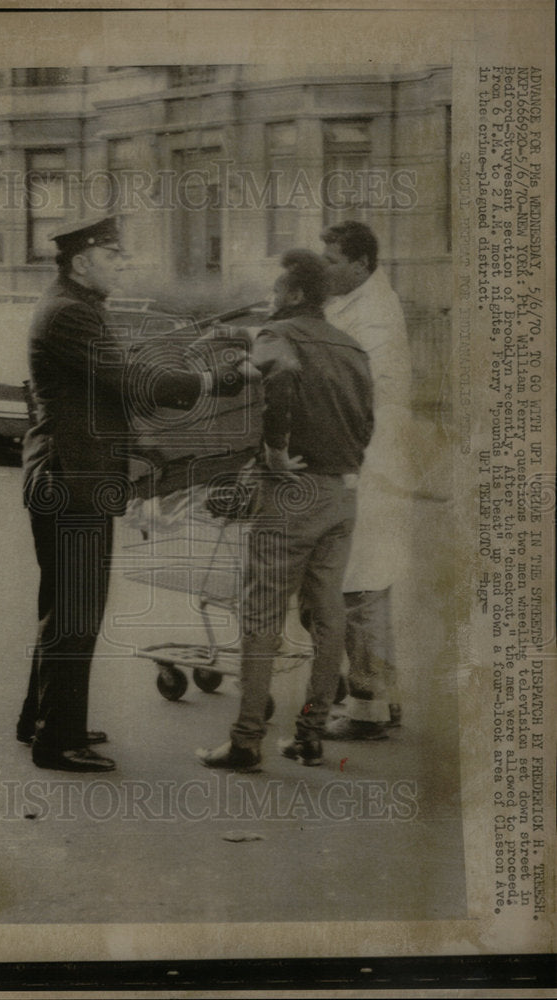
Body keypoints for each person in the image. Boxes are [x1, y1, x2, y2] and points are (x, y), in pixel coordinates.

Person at [16, 214, 253, 772]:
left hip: (70, 475)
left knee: (63, 608)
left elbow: (121, 373)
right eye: (113, 255)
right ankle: (58, 740)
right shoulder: (71, 313)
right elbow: (131, 381)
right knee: (75, 610)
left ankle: (43, 720)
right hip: (71, 479)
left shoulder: (76, 306)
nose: (122, 264)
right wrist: (215, 380)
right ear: (81, 262)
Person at [197, 251, 374, 771]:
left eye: (277, 293)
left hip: (292, 494)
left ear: (295, 296)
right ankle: (310, 736)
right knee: (329, 614)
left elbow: (280, 374)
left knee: (261, 615)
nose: (271, 302)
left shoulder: (280, 336)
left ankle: (246, 741)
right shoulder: (353, 346)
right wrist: (344, 461)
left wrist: (275, 448)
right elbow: (367, 419)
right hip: (342, 493)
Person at [315, 221, 413, 740]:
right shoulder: (353, 302)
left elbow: (356, 382)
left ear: (359, 264)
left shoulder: (374, 311)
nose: (324, 269)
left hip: (369, 459)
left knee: (360, 582)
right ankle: (383, 694)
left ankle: (368, 704)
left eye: (332, 261)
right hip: (362, 453)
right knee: (363, 580)